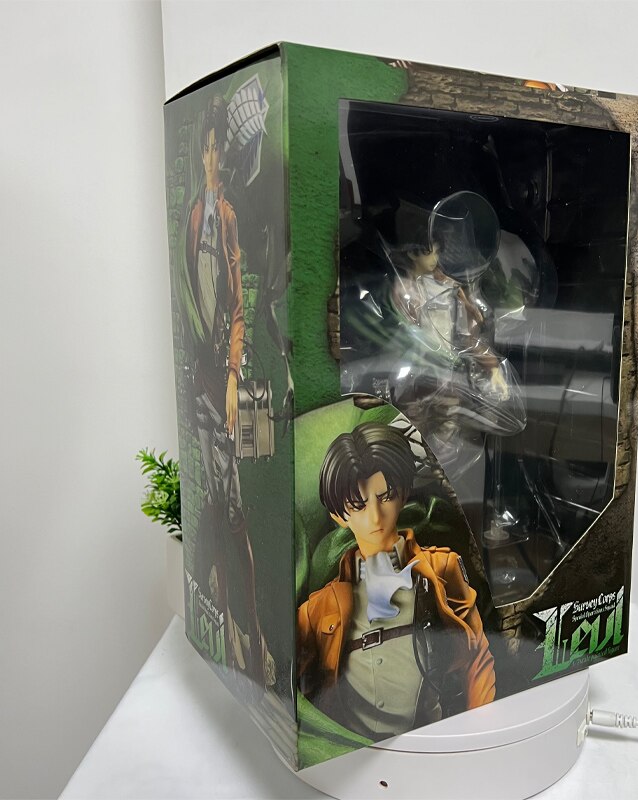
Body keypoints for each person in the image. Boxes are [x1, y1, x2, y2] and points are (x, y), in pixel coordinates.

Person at [297, 422, 495, 739]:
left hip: (428, 739)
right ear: (339, 515)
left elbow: (477, 657)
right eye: (358, 505)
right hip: (351, 750)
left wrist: (479, 731)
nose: (375, 516)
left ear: (403, 493)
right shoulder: (318, 609)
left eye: (385, 496)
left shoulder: (441, 570)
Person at [185, 94, 272, 690]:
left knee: (235, 509)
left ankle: (256, 636)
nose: (214, 157)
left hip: (223, 378)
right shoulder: (195, 216)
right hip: (197, 379)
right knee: (216, 505)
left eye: (221, 147)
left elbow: (238, 307)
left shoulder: (229, 215)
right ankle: (227, 630)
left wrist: (235, 377)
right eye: (208, 147)